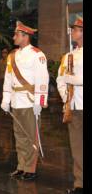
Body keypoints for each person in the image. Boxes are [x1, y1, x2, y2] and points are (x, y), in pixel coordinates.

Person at [1, 21, 49, 181]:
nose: (14, 37)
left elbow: (43, 79)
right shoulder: (12, 56)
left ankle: (30, 168)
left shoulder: (37, 55)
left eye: (16, 34)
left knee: (30, 136)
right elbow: (8, 79)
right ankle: (21, 166)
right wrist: (6, 99)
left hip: (29, 101)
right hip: (16, 101)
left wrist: (39, 101)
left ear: (25, 36)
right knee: (19, 136)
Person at [56, 16, 83, 194]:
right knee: (77, 147)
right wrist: (66, 95)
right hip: (73, 105)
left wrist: (70, 79)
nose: (72, 32)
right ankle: (80, 183)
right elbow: (60, 78)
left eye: (75, 29)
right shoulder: (68, 56)